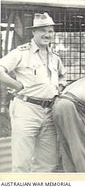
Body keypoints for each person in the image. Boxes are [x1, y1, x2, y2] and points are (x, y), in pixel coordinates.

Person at [0, 12, 67, 172]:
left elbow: (63, 77)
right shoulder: (21, 53)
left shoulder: (55, 57)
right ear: (33, 32)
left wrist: (60, 87)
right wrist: (17, 85)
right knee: (22, 161)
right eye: (42, 30)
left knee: (48, 162)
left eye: (50, 31)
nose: (47, 34)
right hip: (26, 108)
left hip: (50, 111)